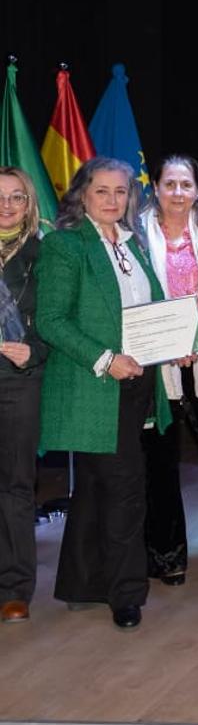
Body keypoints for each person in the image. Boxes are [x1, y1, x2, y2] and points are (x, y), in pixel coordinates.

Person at [37, 157, 173, 629]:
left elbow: (153, 310)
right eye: (102, 191)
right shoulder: (65, 246)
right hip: (93, 385)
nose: (113, 200)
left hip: (136, 383)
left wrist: (180, 343)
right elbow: (52, 321)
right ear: (81, 195)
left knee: (96, 487)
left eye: (121, 192)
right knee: (125, 488)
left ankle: (82, 582)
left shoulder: (136, 245)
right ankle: (126, 593)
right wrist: (105, 359)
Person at [139, 154, 198, 584]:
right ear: (155, 187)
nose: (178, 193)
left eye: (186, 185)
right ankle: (167, 556)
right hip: (155, 363)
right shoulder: (135, 237)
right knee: (159, 462)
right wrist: (166, 342)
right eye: (170, 184)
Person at [0, 167, 48, 624]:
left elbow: (54, 320)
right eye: (0, 197)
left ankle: (15, 588)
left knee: (15, 485)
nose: (7, 205)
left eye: (17, 197)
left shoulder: (43, 253)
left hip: (18, 381)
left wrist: (31, 350)